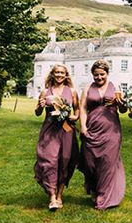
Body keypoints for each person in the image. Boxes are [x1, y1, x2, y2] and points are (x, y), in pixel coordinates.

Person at [78, 59, 127, 210]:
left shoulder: (116, 87)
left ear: (107, 73)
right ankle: (94, 188)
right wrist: (83, 127)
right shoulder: (87, 88)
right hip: (92, 128)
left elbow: (123, 110)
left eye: (102, 74)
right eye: (96, 75)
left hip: (111, 130)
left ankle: (104, 197)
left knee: (107, 163)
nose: (99, 78)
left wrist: (120, 103)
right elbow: (83, 108)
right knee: (90, 162)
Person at [34, 64, 79, 210]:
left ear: (66, 75)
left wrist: (74, 116)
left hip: (66, 131)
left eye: (62, 73)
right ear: (52, 74)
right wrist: (40, 106)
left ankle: (60, 195)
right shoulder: (45, 92)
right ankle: (52, 197)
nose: (59, 75)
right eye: (57, 72)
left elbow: (77, 110)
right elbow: (37, 112)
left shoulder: (71, 91)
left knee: (65, 161)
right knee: (49, 160)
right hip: (49, 131)